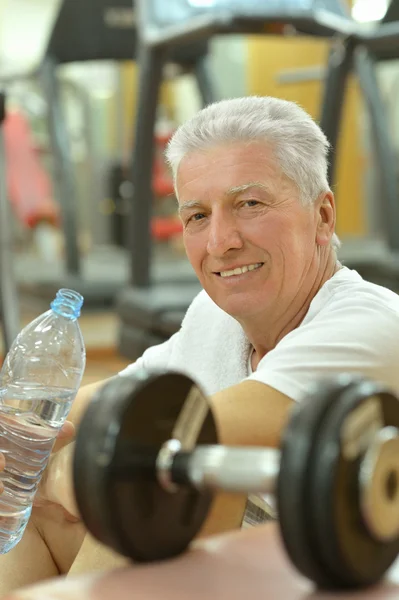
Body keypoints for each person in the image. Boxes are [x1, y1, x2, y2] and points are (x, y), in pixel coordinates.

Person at [2, 95, 399, 595]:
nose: (220, 242)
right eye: (197, 217)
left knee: (153, 490)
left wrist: (39, 467)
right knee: (26, 512)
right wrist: (17, 433)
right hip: (237, 559)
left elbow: (156, 447)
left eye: (249, 205)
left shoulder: (372, 327)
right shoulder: (214, 315)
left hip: (326, 574)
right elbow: (109, 402)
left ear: (323, 216)